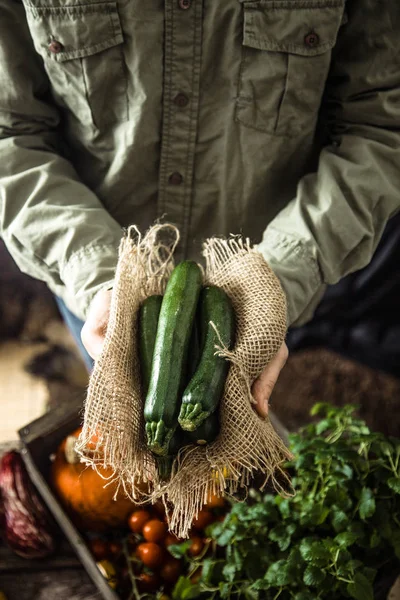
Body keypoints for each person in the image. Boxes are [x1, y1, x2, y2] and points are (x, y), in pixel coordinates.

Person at [0, 0, 399, 417]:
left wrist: (281, 275)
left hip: (275, 273)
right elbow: (10, 134)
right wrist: (98, 276)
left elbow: (377, 126)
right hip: (99, 288)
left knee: (244, 410)